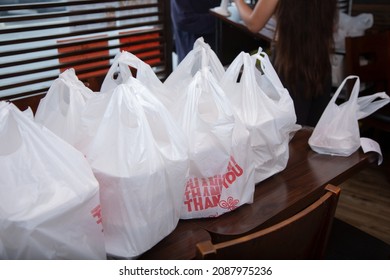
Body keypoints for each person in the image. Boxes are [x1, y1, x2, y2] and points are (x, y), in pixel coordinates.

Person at [233, 0, 338, 127]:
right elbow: (332, 27)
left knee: (287, 133)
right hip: (320, 63)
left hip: (290, 64)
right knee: (314, 133)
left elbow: (254, 23)